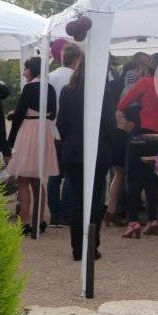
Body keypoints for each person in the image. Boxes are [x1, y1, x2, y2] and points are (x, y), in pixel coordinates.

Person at [57, 55, 117, 261]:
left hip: (73, 151)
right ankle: (91, 245)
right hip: (98, 151)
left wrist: (70, 140)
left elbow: (62, 123)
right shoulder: (102, 92)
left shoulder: (67, 91)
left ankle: (77, 247)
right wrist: (108, 143)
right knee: (95, 200)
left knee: (78, 200)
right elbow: (110, 124)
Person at [117, 52, 158, 238]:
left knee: (133, 177)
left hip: (140, 133)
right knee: (150, 177)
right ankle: (153, 219)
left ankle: (133, 221)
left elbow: (122, 104)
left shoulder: (144, 83)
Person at [6, 56, 58, 236]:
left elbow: (20, 115)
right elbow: (53, 114)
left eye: (26, 68)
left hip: (28, 131)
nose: (23, 73)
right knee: (38, 178)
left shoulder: (29, 88)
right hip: (44, 131)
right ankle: (40, 219)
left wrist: (10, 141)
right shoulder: (50, 87)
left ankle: (25, 221)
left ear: (33, 69)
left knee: (23, 179)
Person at [47, 42, 81, 228]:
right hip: (71, 131)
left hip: (53, 131)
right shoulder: (77, 78)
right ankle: (65, 214)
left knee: (54, 174)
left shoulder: (50, 76)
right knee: (69, 174)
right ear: (76, 59)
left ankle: (54, 213)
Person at [104, 60, 140, 226]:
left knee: (118, 175)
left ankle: (111, 210)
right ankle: (119, 211)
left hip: (115, 135)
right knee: (125, 175)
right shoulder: (130, 93)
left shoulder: (115, 87)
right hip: (124, 136)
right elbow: (130, 121)